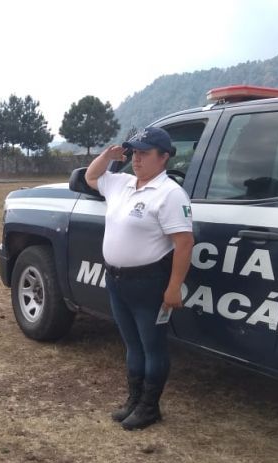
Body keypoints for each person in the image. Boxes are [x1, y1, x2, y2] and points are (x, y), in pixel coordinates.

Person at [84, 127, 194, 431]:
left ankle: (149, 407)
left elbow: (184, 243)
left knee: (152, 346)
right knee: (132, 343)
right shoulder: (123, 184)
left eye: (145, 153)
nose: (136, 159)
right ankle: (133, 400)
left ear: (164, 158)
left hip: (149, 284)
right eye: (134, 152)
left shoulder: (170, 194)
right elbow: (91, 178)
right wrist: (107, 156)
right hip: (118, 280)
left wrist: (173, 288)